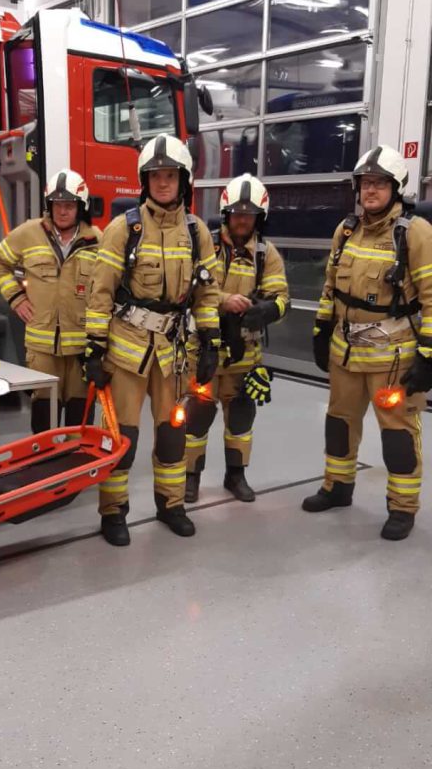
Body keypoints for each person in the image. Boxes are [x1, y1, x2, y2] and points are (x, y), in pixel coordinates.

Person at [85, 134, 221, 547]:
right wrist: (94, 347)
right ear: (144, 181)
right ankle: (113, 512)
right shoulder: (122, 229)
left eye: (170, 175)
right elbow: (100, 292)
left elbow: (207, 293)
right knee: (121, 438)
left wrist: (211, 340)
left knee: (173, 434)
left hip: (174, 355)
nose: (163, 182)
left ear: (183, 181)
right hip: (126, 352)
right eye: (155, 175)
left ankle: (171, 505)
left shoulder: (197, 233)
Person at [302, 145, 432, 540]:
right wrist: (321, 330)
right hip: (345, 352)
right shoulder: (345, 230)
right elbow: (330, 288)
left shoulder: (415, 234)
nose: (370, 190)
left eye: (379, 183)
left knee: (397, 435)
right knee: (339, 423)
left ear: (396, 189)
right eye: (365, 183)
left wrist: (427, 356)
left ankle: (402, 507)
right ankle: (338, 487)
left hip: (392, 358)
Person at [185, 174, 289, 504]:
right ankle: (191, 477)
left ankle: (236, 475)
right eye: (237, 213)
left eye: (250, 214)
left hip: (245, 353)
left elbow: (281, 297)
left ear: (260, 217)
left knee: (242, 416)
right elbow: (190, 290)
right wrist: (224, 301)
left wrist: (267, 310)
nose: (243, 220)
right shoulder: (206, 246)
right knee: (197, 414)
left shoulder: (266, 254)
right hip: (205, 349)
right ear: (226, 214)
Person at [0, 169, 101, 431]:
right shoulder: (29, 233)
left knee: (79, 417)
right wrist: (16, 298)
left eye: (69, 205)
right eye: (57, 204)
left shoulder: (98, 240)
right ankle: (44, 455)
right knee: (43, 417)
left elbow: (107, 287)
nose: (62, 211)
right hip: (41, 348)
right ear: (48, 205)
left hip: (81, 349)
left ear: (81, 206)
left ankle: (75, 455)